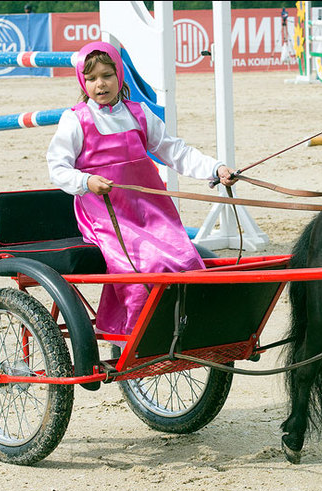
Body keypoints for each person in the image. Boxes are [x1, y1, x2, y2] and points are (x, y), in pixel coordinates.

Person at [47, 41, 234, 337]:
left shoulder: (139, 113)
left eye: (107, 75)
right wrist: (86, 182)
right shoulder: (76, 119)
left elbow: (175, 152)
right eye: (92, 78)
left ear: (119, 75)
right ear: (83, 81)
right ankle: (137, 336)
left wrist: (215, 168)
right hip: (104, 213)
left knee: (186, 258)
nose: (101, 84)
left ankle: (186, 330)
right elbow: (57, 167)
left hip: (150, 210)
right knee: (145, 265)